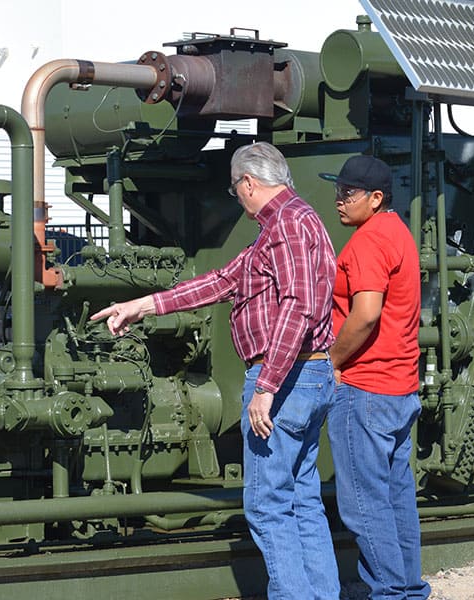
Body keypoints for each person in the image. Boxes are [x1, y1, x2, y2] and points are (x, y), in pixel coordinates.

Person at [91, 142, 340, 600]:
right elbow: (221, 282)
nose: (238, 199)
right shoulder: (293, 224)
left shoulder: (285, 226)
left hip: (284, 380)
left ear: (248, 183)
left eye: (236, 190)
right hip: (312, 375)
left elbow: (299, 308)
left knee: (267, 505)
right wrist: (140, 306)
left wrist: (267, 385)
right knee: (302, 500)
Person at [319, 155, 430, 599]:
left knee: (363, 505)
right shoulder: (398, 232)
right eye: (338, 190)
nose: (338, 201)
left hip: (365, 388)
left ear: (376, 198)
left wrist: (333, 360)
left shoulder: (367, 242)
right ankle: (407, 589)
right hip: (400, 388)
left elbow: (366, 314)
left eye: (348, 194)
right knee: (396, 497)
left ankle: (389, 593)